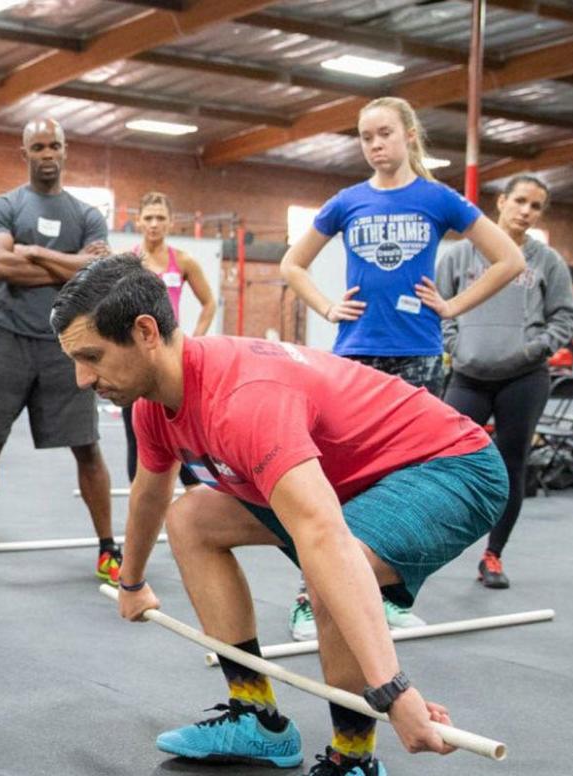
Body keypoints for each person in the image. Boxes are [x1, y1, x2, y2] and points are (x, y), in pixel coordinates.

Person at [53, 256, 511, 776]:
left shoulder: (244, 400)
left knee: (333, 566)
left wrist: (393, 691)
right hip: (351, 480)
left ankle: (353, 759)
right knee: (193, 518)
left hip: (452, 465)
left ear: (145, 332)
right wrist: (131, 581)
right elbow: (149, 494)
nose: (81, 378)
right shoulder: (152, 405)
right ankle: (258, 717)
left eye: (91, 356)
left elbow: (326, 539)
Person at [279, 96, 524, 640]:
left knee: (410, 481)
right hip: (355, 355)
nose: (375, 145)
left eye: (385, 133)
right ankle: (309, 599)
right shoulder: (347, 202)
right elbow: (292, 264)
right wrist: (325, 307)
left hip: (418, 355)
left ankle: (387, 596)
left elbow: (510, 259)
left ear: (409, 134)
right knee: (338, 478)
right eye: (366, 137)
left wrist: (454, 306)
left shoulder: (438, 199)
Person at [0, 117, 115, 584]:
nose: (47, 154)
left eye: (54, 145)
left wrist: (34, 254)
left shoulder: (87, 214)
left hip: (69, 346)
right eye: (37, 146)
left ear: (65, 149)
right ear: (25, 153)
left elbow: (96, 276)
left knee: (89, 450)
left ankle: (108, 550)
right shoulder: (5, 205)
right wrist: (68, 265)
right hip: (9, 340)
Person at [437, 174, 573, 589]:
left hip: (524, 378)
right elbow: (439, 308)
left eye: (536, 207)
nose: (526, 212)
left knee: (513, 466)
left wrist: (534, 349)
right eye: (520, 201)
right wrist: (457, 348)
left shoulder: (546, 261)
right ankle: (426, 547)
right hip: (468, 374)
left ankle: (493, 556)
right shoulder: (461, 256)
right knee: (441, 458)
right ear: (501, 201)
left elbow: (565, 316)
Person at [123, 191, 217, 490]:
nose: (154, 224)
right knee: (138, 434)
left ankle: (197, 502)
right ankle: (143, 504)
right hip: (136, 361)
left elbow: (209, 303)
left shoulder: (184, 261)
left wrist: (195, 340)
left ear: (170, 222)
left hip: (173, 360)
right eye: (148, 217)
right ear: (138, 221)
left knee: (186, 431)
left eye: (160, 218)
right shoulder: (127, 262)